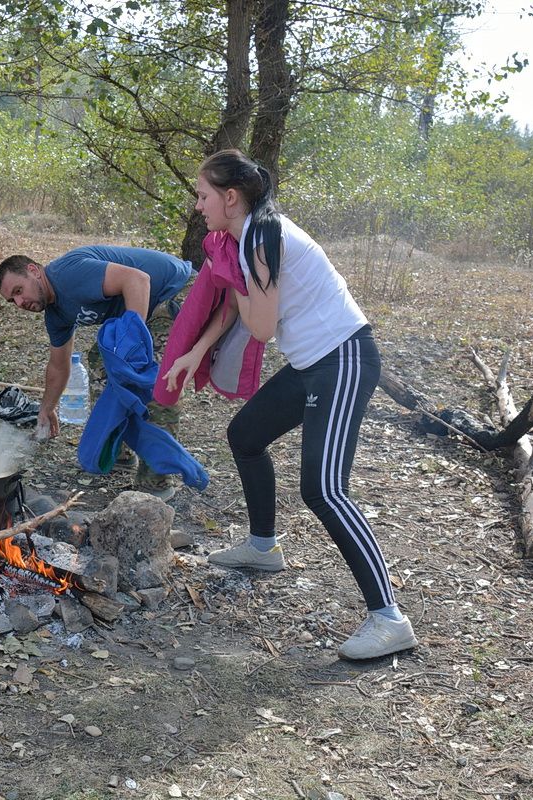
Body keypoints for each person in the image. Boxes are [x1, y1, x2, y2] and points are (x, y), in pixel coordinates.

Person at [162, 150, 417, 660]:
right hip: (310, 363)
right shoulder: (248, 233)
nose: (198, 206)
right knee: (245, 436)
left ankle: (389, 619)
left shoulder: (263, 236)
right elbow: (239, 303)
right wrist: (195, 349)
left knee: (323, 488)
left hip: (342, 357)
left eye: (204, 195)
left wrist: (234, 292)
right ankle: (263, 547)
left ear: (230, 198)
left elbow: (259, 324)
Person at [0, 246, 192, 499]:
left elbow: (137, 279)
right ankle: (116, 451)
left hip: (176, 290)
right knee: (100, 358)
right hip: (148, 301)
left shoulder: (67, 275)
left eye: (19, 291)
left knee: (154, 379)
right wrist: (47, 407)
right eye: (13, 300)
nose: (20, 303)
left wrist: (133, 341)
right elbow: (58, 364)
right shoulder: (56, 315)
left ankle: (156, 482)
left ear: (34, 271)